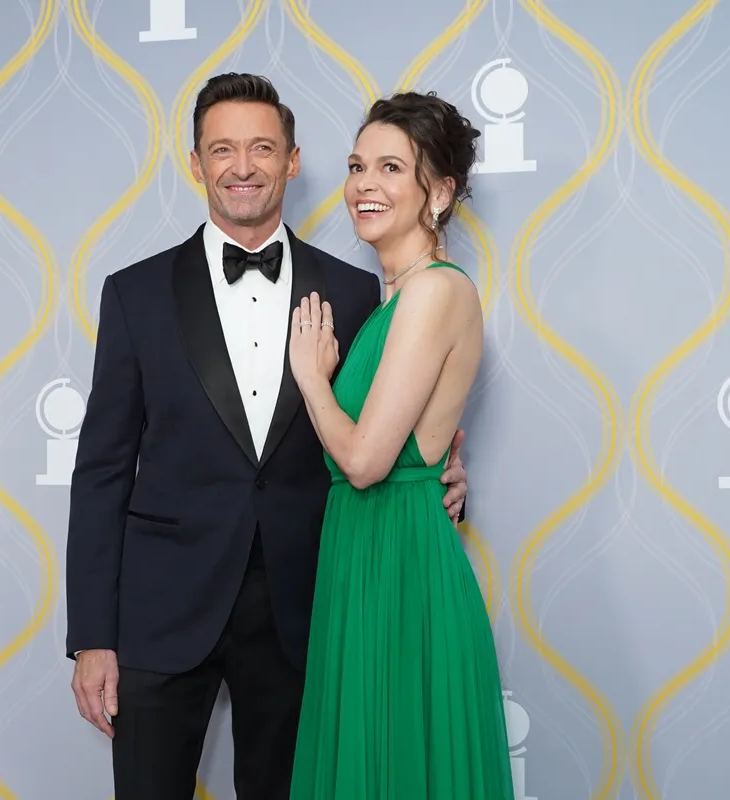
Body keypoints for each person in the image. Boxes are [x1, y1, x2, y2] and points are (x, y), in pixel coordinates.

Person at [64, 73, 472, 800]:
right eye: (222, 149)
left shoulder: (355, 290)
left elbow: (390, 422)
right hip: (163, 611)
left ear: (291, 160)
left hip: (308, 607)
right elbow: (100, 470)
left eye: (262, 148)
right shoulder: (134, 293)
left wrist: (445, 471)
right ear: (196, 163)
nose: (242, 167)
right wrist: (93, 635)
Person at [286, 92, 516, 798]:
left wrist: (311, 380)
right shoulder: (395, 298)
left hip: (400, 567)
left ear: (439, 192)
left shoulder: (433, 294)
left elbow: (363, 462)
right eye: (357, 166)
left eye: (391, 167)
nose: (364, 185)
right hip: (369, 556)